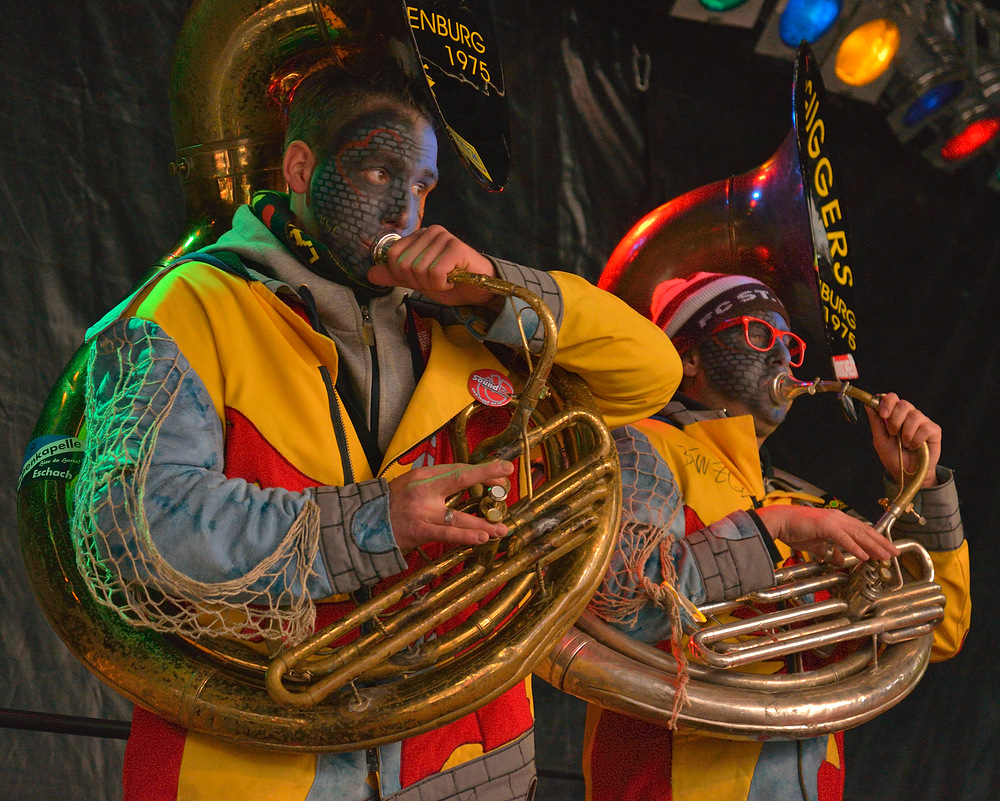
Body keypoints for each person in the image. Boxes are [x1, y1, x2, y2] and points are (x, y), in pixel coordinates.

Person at [73, 66, 684, 801]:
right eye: (375, 169)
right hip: (251, 765)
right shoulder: (190, 302)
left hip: (466, 765)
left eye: (423, 185)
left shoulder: (464, 327)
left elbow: (651, 372)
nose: (405, 207)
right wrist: (374, 523)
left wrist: (491, 282)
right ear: (300, 167)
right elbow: (132, 529)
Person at [584, 271, 970, 801]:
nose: (784, 360)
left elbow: (936, 630)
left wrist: (917, 487)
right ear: (687, 357)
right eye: (758, 335)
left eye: (789, 344)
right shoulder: (637, 445)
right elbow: (623, 606)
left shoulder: (800, 499)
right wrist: (774, 532)